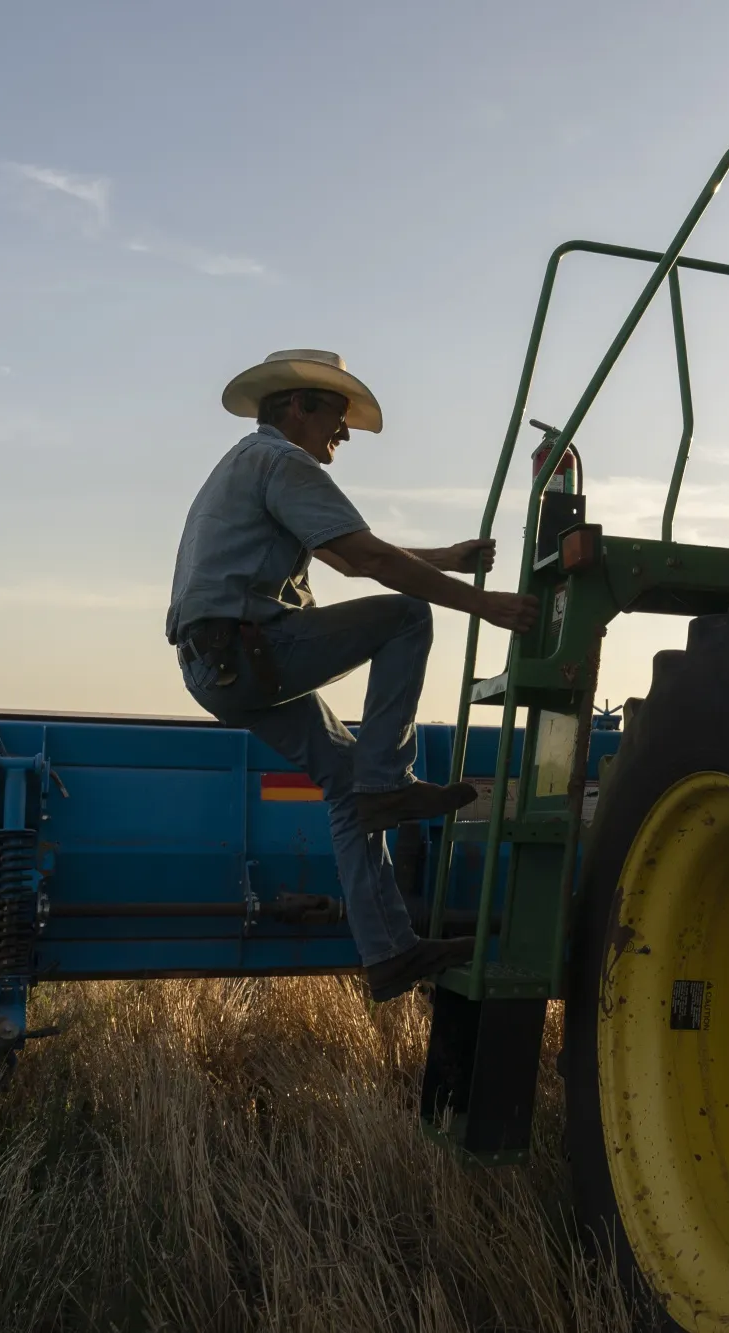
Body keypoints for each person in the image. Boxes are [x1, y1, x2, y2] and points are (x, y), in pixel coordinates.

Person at [167, 349, 539, 1001]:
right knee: (406, 618)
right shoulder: (282, 459)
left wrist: (446, 558)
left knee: (345, 787)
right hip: (247, 646)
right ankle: (389, 781)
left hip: (215, 663)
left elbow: (342, 553)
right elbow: (365, 558)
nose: (343, 432)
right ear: (297, 406)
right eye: (338, 416)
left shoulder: (251, 464)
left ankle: (390, 952)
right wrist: (486, 605)